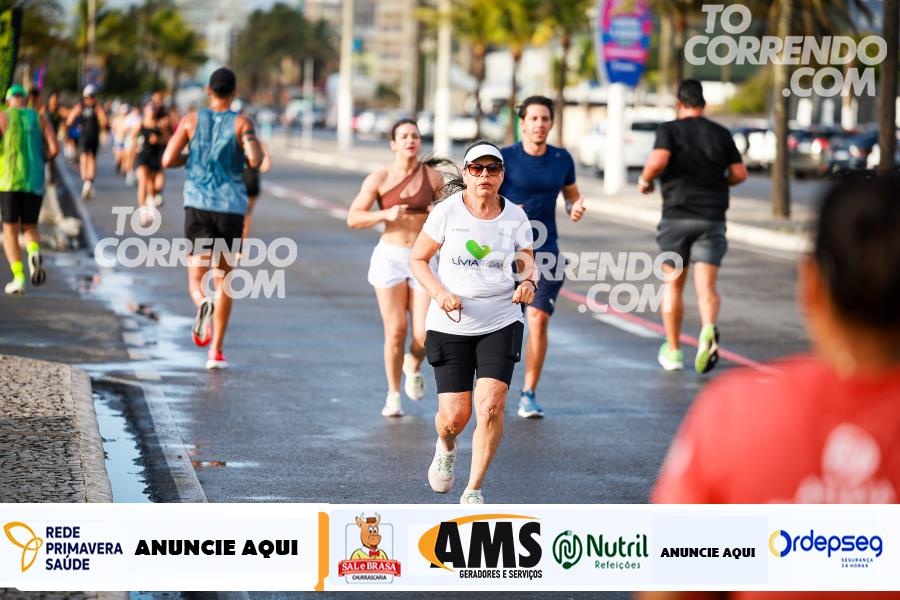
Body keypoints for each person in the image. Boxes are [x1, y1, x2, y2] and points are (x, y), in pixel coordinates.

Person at [643, 176, 900, 600]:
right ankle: (707, 324)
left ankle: (678, 343)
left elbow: (672, 588)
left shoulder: (735, 412)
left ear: (811, 284)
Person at [410, 140, 537, 504]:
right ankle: (446, 446)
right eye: (477, 169)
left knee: (491, 407)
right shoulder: (447, 212)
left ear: (502, 175)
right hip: (451, 321)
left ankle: (474, 489)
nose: (484, 175)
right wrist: (439, 293)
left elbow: (527, 260)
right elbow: (418, 259)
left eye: (492, 169)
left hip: (501, 318)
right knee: (455, 417)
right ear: (466, 174)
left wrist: (528, 283)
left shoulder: (515, 217)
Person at [638, 79, 747, 374]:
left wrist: (646, 180)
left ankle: (673, 351)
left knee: (672, 285)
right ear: (703, 104)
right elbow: (740, 173)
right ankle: (708, 328)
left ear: (679, 103)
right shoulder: (721, 133)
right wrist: (719, 183)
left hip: (676, 217)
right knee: (707, 288)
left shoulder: (669, 130)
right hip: (712, 218)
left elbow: (658, 160)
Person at [161, 67, 263, 370]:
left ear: (208, 91)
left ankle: (201, 302)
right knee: (224, 281)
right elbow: (255, 160)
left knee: (196, 278)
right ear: (234, 93)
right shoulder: (241, 122)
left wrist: (190, 158)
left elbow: (167, 159)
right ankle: (216, 350)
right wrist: (246, 143)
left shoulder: (191, 121)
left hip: (198, 205)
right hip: (230, 208)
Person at [347, 118, 445, 417]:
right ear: (393, 143)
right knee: (395, 331)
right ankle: (393, 395)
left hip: (422, 258)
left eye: (415, 135)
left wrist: (437, 212)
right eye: (404, 136)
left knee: (424, 334)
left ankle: (412, 364)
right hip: (390, 257)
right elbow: (354, 217)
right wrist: (385, 214)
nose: (410, 140)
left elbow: (451, 218)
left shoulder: (433, 178)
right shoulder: (379, 178)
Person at [499, 95, 586, 419]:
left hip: (546, 251)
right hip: (505, 252)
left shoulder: (562, 158)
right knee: (504, 325)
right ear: (522, 123)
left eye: (545, 119)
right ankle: (495, 386)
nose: (539, 124)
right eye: (533, 119)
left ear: (551, 123)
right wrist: (508, 210)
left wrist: (573, 207)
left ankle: (529, 393)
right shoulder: (505, 158)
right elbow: (485, 196)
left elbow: (571, 195)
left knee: (537, 319)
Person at [0, 85, 59, 294]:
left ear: (8, 101)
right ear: (25, 100)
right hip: (34, 181)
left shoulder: (3, 117)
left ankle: (18, 277)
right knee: (30, 227)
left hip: (8, 181)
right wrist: (41, 159)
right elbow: (54, 148)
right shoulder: (40, 119)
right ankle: (33, 252)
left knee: (10, 230)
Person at [230, 100, 272, 241]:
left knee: (232, 215)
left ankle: (232, 243)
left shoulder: (228, 137)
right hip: (251, 181)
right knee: (247, 215)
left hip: (235, 181)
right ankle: (242, 245)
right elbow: (266, 166)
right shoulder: (254, 137)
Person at [65, 84, 108, 199]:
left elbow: (69, 120)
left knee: (85, 158)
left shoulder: (81, 106)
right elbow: (104, 121)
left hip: (84, 136)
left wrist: (70, 129)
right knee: (90, 159)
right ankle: (88, 183)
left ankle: (86, 182)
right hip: (93, 135)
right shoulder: (96, 107)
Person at [133, 104, 167, 224]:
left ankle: (151, 203)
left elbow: (167, 139)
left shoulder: (159, 126)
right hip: (142, 157)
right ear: (145, 111)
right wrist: (134, 149)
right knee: (143, 180)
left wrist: (158, 140)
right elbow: (133, 139)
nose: (151, 112)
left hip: (155, 158)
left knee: (155, 186)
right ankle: (142, 211)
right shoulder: (140, 125)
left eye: (153, 110)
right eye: (149, 110)